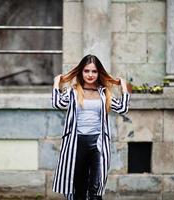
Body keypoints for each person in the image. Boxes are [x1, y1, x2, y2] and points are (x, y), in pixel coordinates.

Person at [51, 54, 130, 200]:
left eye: (94, 71)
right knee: (78, 189)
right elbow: (57, 103)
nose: (90, 75)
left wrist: (123, 86)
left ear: (99, 73)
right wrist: (57, 83)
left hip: (98, 144)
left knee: (95, 188)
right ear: (81, 72)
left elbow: (122, 108)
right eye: (87, 71)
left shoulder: (103, 93)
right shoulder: (73, 92)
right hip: (76, 144)